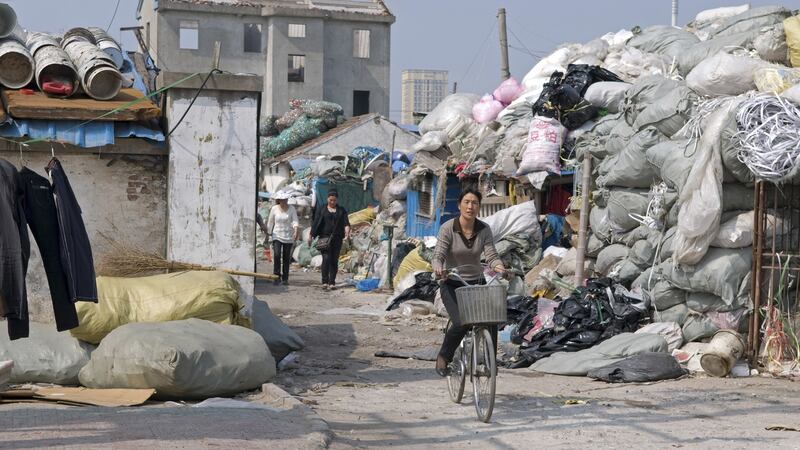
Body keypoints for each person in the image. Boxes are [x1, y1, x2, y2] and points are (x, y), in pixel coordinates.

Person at [432, 188, 505, 377]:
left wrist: (499, 267)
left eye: (474, 203)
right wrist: (438, 267)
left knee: (491, 319)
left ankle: (490, 362)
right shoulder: (448, 228)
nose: (470, 206)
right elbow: (439, 254)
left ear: (479, 207)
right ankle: (443, 357)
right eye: (466, 202)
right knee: (461, 322)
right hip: (452, 283)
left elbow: (491, 255)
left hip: (476, 284)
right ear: (459, 205)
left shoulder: (484, 229)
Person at [310, 189, 350, 290]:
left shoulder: (341, 210)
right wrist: (311, 235)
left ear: (337, 200)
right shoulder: (322, 209)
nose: (332, 202)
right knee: (326, 258)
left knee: (334, 260)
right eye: (330, 200)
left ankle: (332, 282)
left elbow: (346, 223)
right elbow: (316, 222)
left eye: (334, 200)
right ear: (327, 198)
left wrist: (347, 231)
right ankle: (324, 281)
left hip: (337, 238)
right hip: (324, 237)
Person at [267, 194, 299, 285]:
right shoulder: (274, 208)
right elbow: (270, 221)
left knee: (286, 257)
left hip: (288, 235)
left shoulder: (292, 208)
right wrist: (268, 233)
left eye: (285, 199)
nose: (284, 201)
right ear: (279, 200)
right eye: (282, 200)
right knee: (276, 255)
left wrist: (296, 230)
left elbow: (295, 220)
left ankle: (285, 278)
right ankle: (276, 277)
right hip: (276, 235)